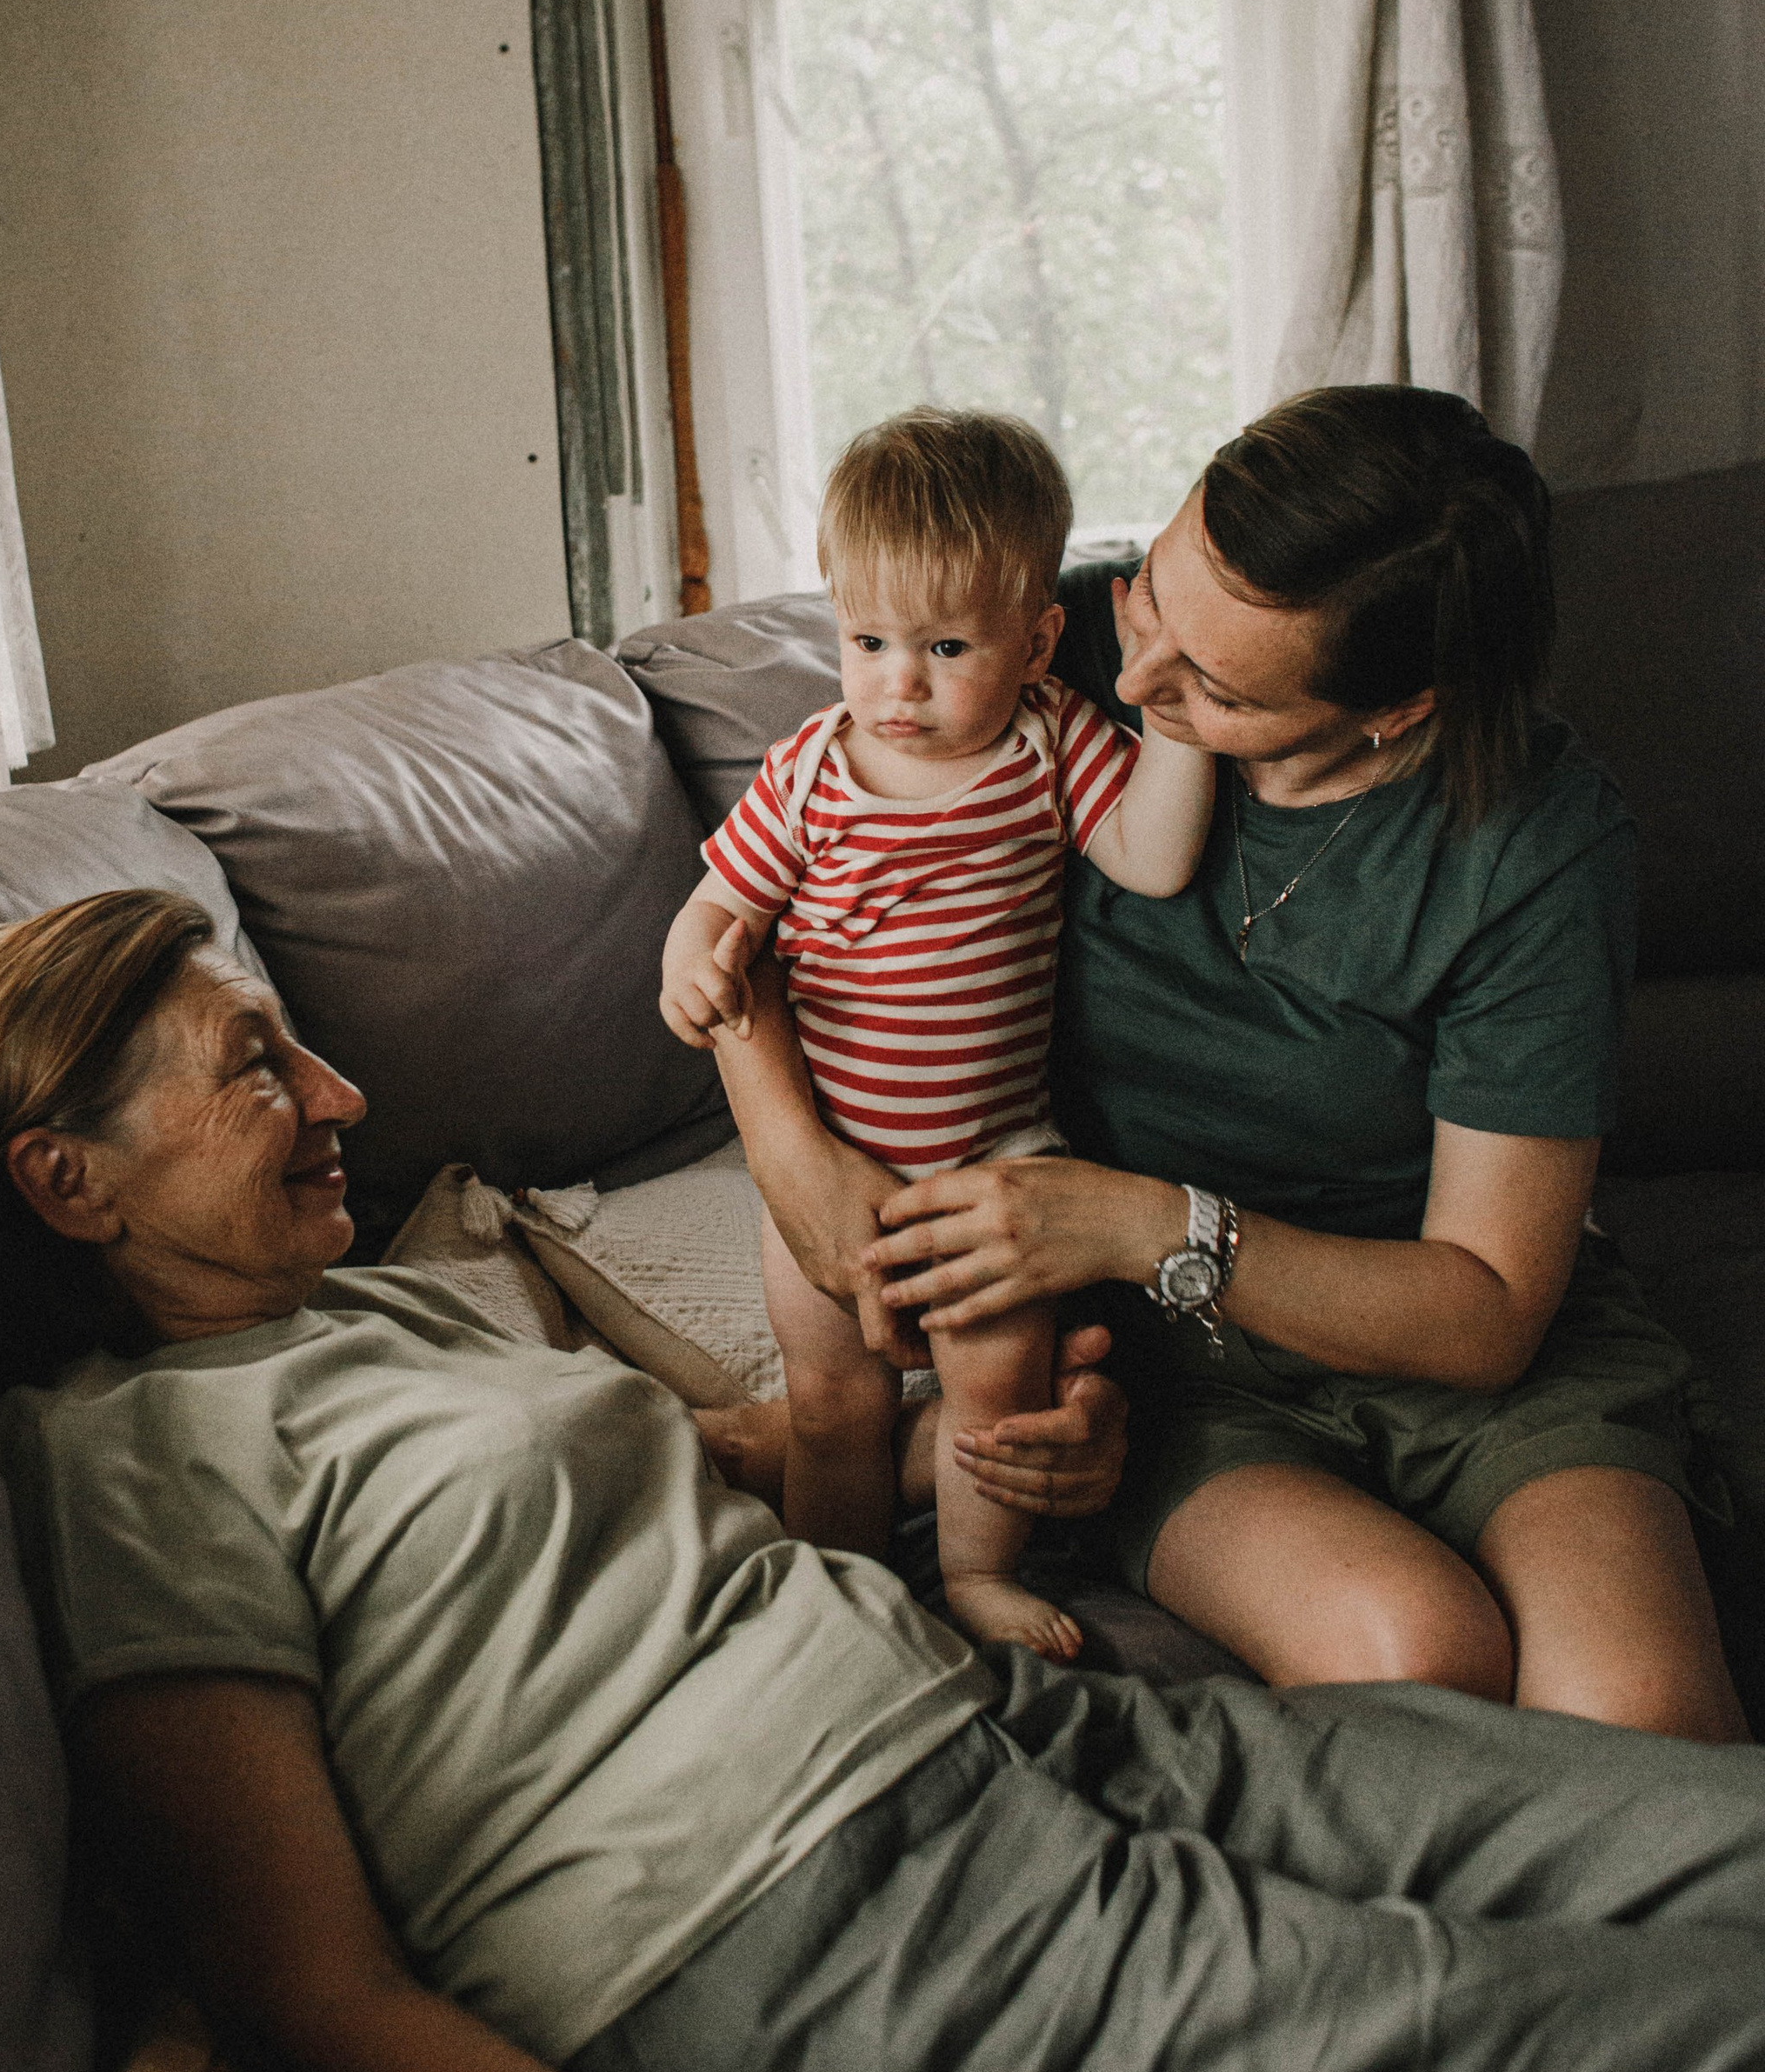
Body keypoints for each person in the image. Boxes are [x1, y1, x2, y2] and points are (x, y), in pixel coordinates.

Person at [0, 884, 1765, 2072]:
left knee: (1710, 1830)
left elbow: (758, 1523)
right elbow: (312, 1998)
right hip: (821, 1932)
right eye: (254, 1065)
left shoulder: (380, 1311)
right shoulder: (127, 1462)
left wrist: (1006, 1468)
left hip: (1021, 1731)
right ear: (73, 1186)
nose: (334, 1088)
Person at [715, 385, 1746, 1742]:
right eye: (1157, 596)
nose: (1135, 683)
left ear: (1394, 709)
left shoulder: (1535, 844)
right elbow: (786, 895)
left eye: (1214, 689)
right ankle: (878, 1447)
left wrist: (1143, 1222)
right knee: (1416, 1652)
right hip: (1177, 1371)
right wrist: (800, 1162)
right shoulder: (1042, 644)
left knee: (1636, 1726)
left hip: (1459, 1347)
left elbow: (1486, 1311)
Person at [659, 409, 1213, 1656]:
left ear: (1037, 641)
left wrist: (1169, 719)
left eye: (946, 646)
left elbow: (1158, 858)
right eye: (867, 640)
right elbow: (717, 908)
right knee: (830, 1403)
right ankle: (839, 1589)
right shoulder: (810, 769)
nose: (897, 684)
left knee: (996, 1401)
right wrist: (690, 969)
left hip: (994, 1175)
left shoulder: (1049, 742)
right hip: (832, 1162)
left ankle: (971, 1579)